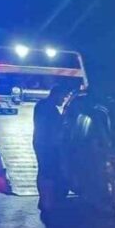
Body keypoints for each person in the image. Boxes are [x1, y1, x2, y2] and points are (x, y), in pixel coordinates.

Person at [33, 82, 75, 219]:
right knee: (49, 173)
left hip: (41, 143)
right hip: (48, 146)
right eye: (63, 97)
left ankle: (45, 201)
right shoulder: (49, 110)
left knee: (44, 172)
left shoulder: (42, 105)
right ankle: (48, 203)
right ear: (56, 94)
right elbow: (54, 130)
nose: (63, 100)